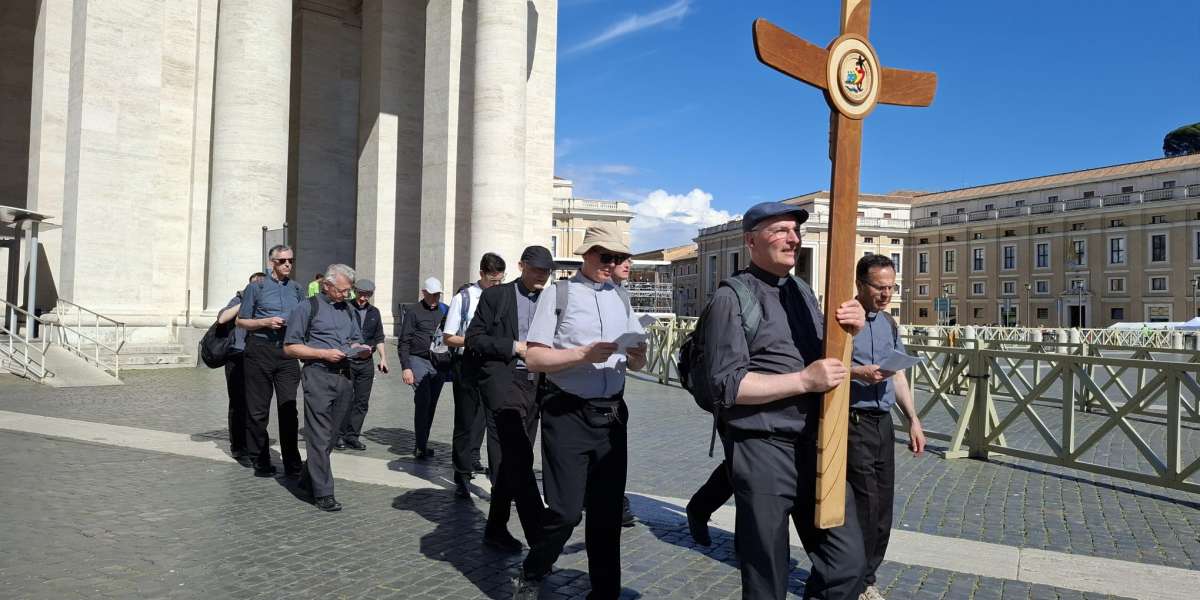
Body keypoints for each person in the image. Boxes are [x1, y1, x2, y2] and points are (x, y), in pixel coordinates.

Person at [696, 201, 867, 600]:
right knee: (766, 572)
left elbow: (828, 360)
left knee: (847, 565)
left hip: (816, 444)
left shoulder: (803, 291)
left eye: (796, 232)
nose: (793, 239)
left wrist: (854, 329)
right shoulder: (731, 298)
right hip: (761, 446)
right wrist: (804, 380)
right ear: (751, 241)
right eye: (780, 231)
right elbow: (728, 387)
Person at [512, 224, 647, 600]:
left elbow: (636, 362)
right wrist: (581, 354)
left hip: (613, 415)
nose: (613, 263)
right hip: (568, 413)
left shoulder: (621, 297)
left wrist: (638, 356)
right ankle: (533, 567)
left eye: (619, 257)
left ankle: (605, 593)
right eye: (606, 256)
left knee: (607, 515)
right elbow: (535, 357)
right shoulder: (558, 294)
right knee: (566, 511)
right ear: (586, 254)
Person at [465, 246, 553, 552]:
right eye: (537, 270)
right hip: (504, 383)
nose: (542, 277)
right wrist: (514, 346)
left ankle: (495, 527)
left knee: (515, 458)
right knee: (514, 456)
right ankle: (537, 531)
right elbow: (474, 339)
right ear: (522, 266)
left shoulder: (550, 300)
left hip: (538, 385)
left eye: (546, 272)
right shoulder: (496, 296)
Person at [847, 254, 925, 600]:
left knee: (883, 506)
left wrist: (913, 420)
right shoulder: (841, 319)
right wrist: (856, 372)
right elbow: (822, 366)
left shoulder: (890, 324)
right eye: (880, 288)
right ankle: (855, 579)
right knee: (865, 502)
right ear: (861, 285)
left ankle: (868, 575)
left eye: (891, 287)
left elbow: (900, 375)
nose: (886, 294)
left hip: (882, 425)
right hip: (852, 422)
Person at [283, 264, 371, 512]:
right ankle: (324, 493)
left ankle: (306, 477)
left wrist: (361, 350)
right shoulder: (307, 308)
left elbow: (356, 339)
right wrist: (322, 353)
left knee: (332, 436)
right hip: (318, 375)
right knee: (320, 436)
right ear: (327, 285)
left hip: (345, 377)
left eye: (348, 291)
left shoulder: (350, 311)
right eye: (342, 290)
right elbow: (290, 347)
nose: (346, 295)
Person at [236, 245, 306, 478]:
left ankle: (292, 461)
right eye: (282, 261)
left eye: (291, 260)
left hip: (287, 352)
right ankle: (260, 458)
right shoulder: (255, 288)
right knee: (258, 411)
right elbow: (242, 321)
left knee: (288, 408)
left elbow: (305, 318)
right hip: (259, 350)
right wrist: (265, 322)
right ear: (271, 262)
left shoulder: (297, 289)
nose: (287, 264)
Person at [444, 253, 507, 495]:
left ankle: (496, 477)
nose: (496, 285)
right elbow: (449, 337)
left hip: (494, 364)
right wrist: (475, 342)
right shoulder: (464, 298)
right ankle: (461, 474)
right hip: (468, 363)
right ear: (481, 274)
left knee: (494, 421)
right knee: (466, 421)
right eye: (493, 281)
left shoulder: (504, 296)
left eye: (500, 280)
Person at [334, 278, 390, 451]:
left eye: (367, 295)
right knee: (345, 400)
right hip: (348, 361)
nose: (363, 298)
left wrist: (383, 358)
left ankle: (353, 435)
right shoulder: (345, 309)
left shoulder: (375, 312)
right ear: (354, 292)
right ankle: (339, 436)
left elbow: (379, 337)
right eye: (361, 294)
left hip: (366, 362)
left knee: (361, 401)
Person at [218, 272, 266, 468]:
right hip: (237, 356)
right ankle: (239, 447)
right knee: (238, 404)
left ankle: (255, 446)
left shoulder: (266, 303)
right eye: (255, 285)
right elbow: (222, 318)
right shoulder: (238, 299)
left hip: (260, 357)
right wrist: (245, 300)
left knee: (257, 405)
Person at [399, 277, 450, 459]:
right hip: (418, 359)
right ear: (424, 293)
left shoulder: (444, 311)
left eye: (438, 294)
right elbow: (404, 341)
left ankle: (423, 442)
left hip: (438, 362)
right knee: (423, 400)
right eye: (432, 294)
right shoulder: (413, 312)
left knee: (431, 404)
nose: (435, 298)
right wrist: (406, 367)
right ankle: (420, 445)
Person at [609, 255, 638, 529]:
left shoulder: (624, 294)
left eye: (630, 260)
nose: (628, 265)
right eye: (622, 260)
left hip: (616, 383)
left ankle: (616, 499)